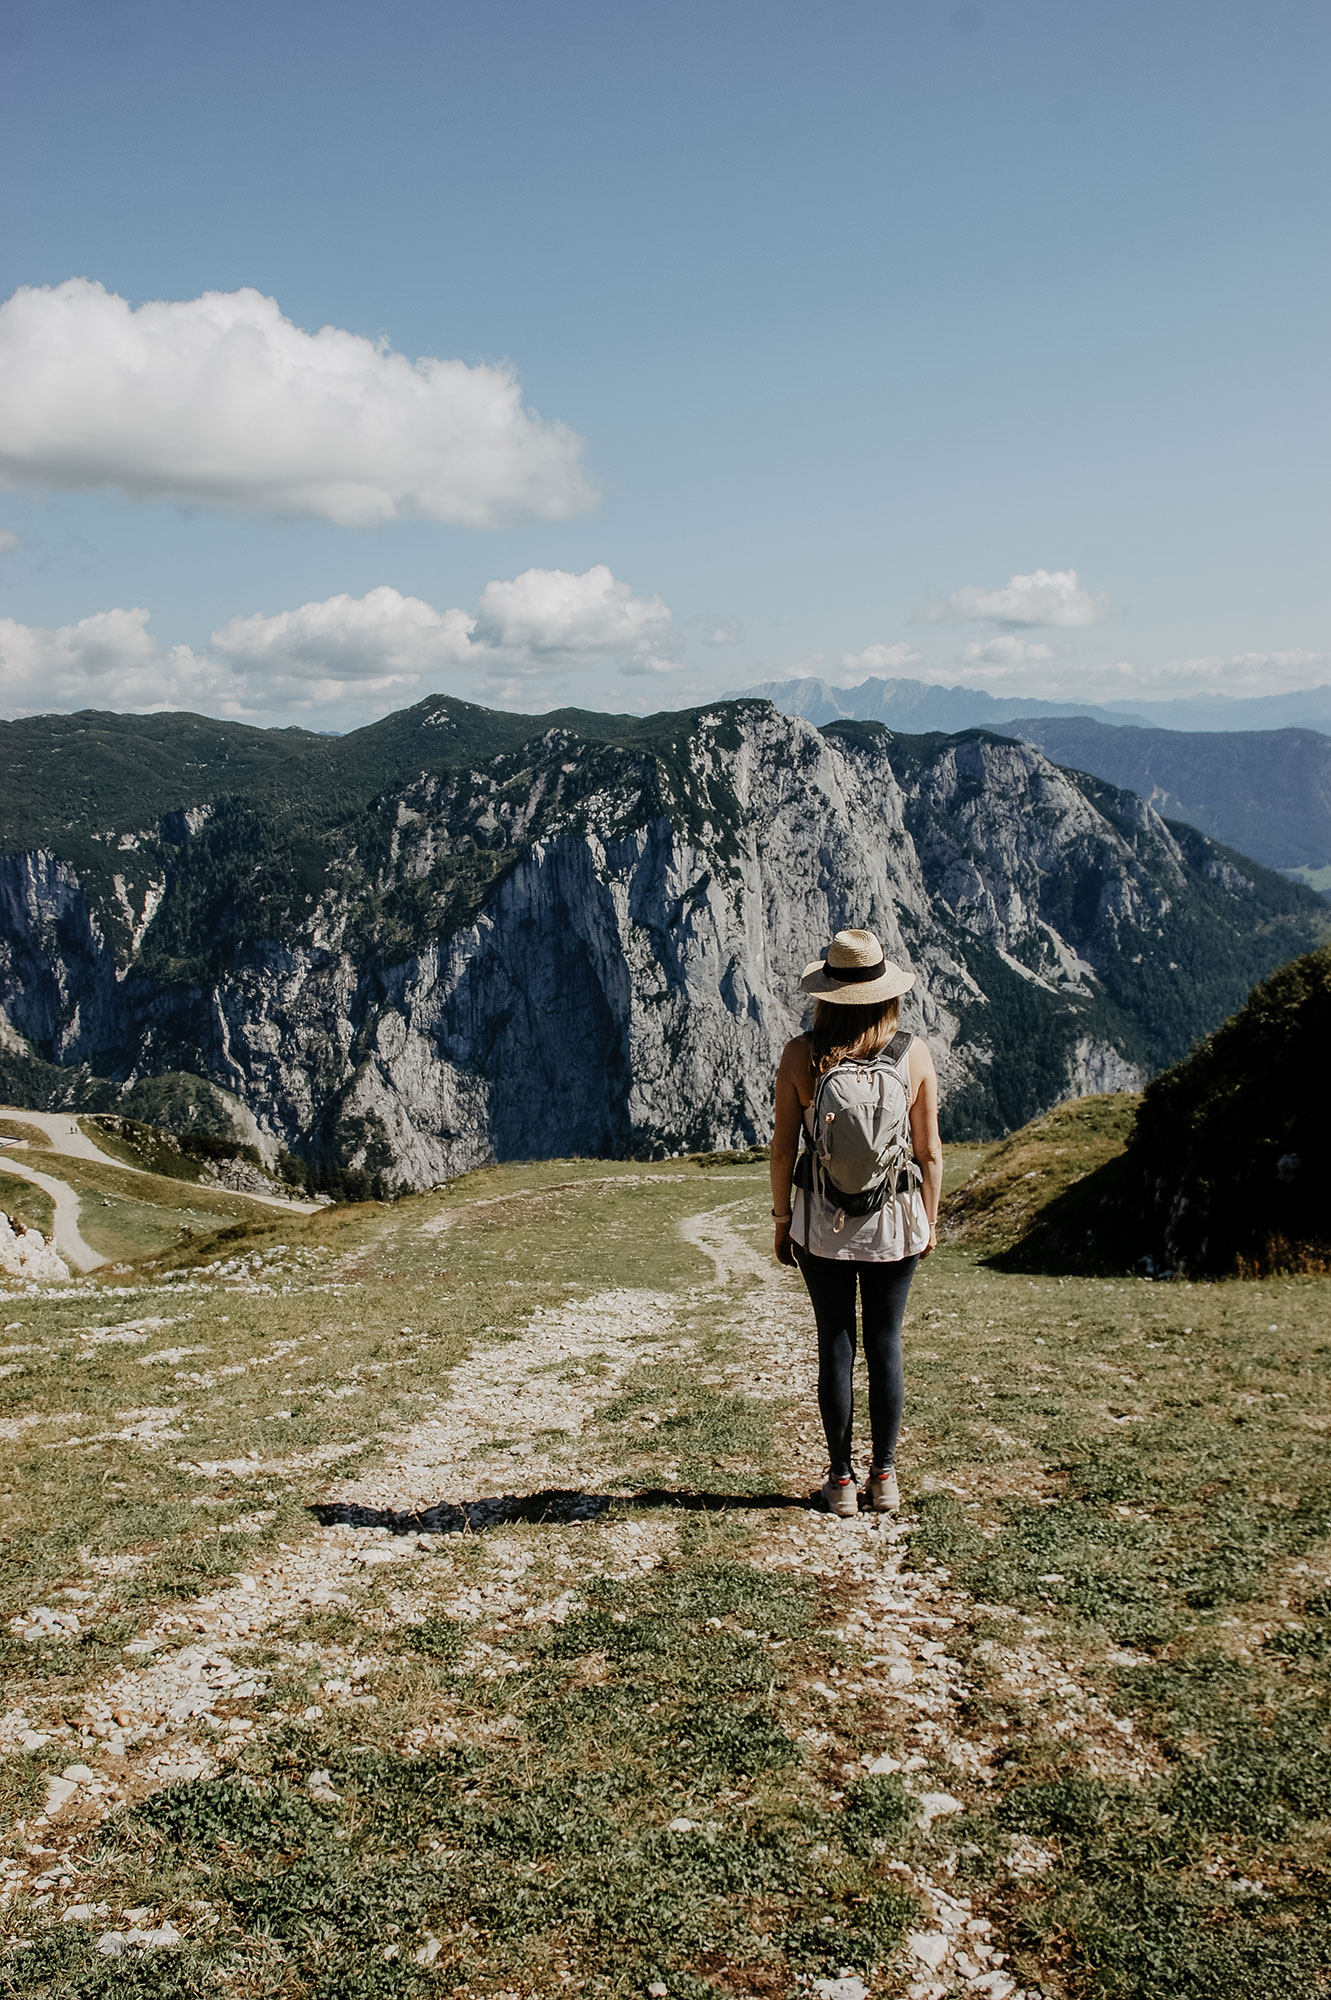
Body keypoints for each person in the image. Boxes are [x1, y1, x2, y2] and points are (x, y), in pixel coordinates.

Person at [769, 928, 942, 1517]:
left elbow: (781, 1149)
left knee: (836, 1345)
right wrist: (929, 1220)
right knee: (886, 1344)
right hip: (895, 1221)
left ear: (827, 994)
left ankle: (841, 1481)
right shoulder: (913, 1053)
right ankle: (886, 1476)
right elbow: (930, 1153)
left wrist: (781, 1218)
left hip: (822, 1225)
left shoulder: (801, 1055)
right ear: (886, 993)